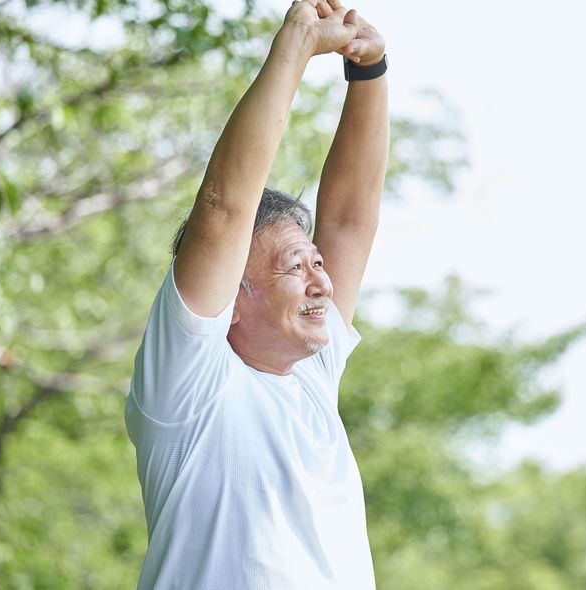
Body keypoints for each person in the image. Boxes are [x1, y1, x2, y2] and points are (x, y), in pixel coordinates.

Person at [124, 0, 387, 587]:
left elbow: (347, 221)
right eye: (298, 266)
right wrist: (294, 46)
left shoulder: (312, 372)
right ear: (233, 296)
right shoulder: (189, 384)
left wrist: (369, 71)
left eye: (317, 263)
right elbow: (222, 210)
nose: (324, 281)